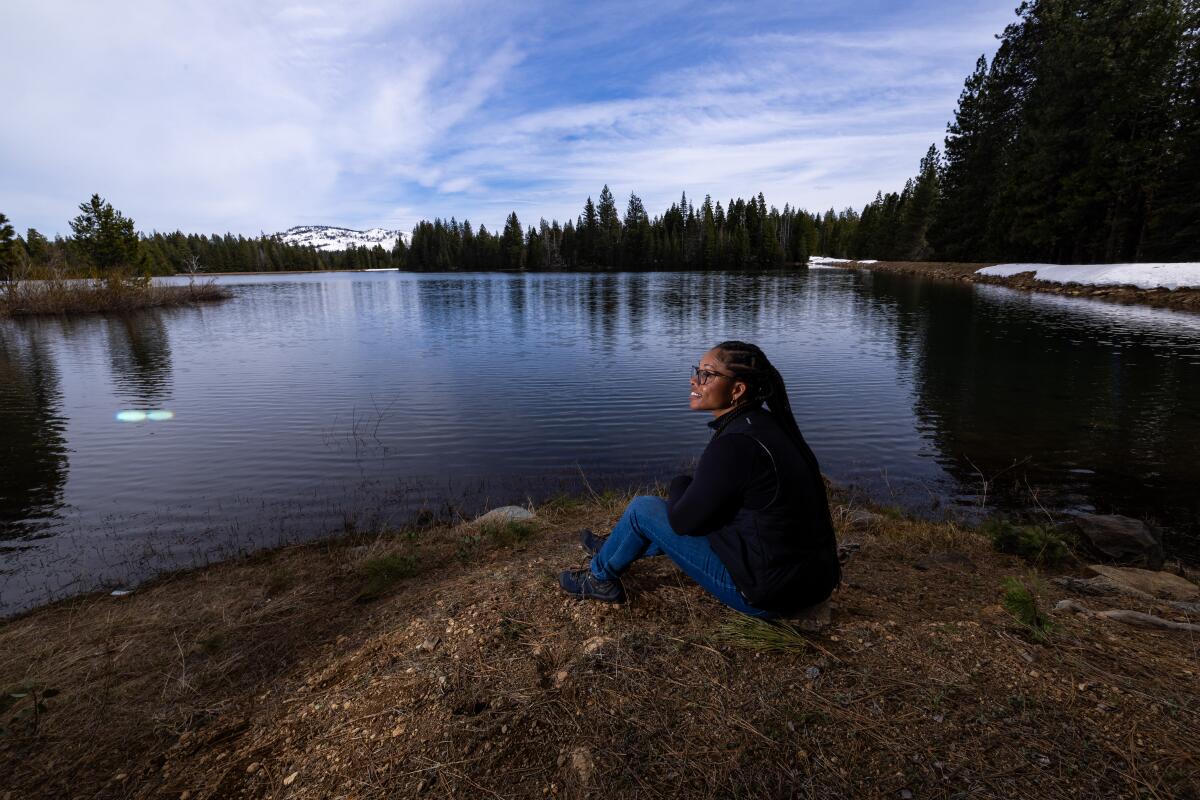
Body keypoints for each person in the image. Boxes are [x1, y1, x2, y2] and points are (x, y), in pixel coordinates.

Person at [558, 341, 840, 618]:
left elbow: (682, 523)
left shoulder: (735, 445)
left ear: (737, 390)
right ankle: (615, 546)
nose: (695, 380)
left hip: (766, 595)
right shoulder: (768, 425)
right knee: (701, 506)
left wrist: (680, 483)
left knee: (643, 510)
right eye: (697, 370)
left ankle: (599, 579)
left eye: (707, 374)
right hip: (811, 583)